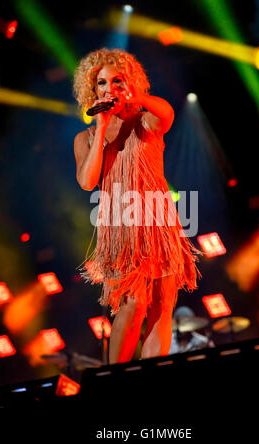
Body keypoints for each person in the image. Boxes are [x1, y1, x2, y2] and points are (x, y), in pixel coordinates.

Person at [73, 47, 202, 364]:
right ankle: (115, 375)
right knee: (133, 303)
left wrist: (137, 99)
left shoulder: (147, 120)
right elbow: (88, 181)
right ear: (93, 90)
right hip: (123, 223)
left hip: (158, 221)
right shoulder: (87, 136)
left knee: (162, 303)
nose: (110, 89)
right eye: (102, 83)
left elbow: (168, 114)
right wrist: (102, 128)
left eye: (117, 81)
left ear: (129, 84)